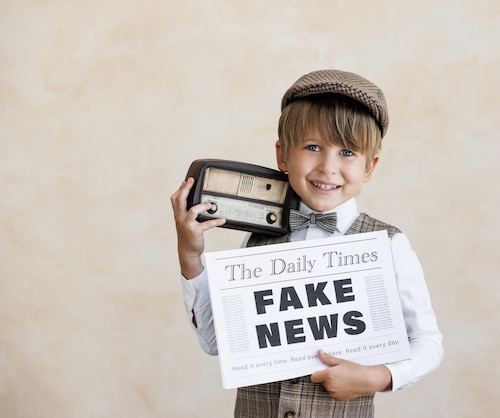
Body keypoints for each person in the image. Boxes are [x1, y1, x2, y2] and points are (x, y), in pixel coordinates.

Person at [170, 69, 443, 418]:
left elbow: (428, 343)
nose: (328, 167)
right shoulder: (258, 242)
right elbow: (215, 341)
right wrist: (190, 254)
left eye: (347, 152)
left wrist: (378, 376)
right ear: (283, 156)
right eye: (313, 147)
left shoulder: (389, 245)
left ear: (369, 167)